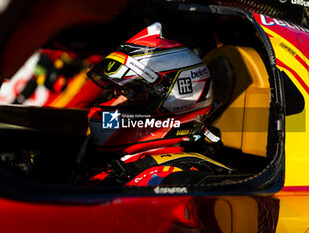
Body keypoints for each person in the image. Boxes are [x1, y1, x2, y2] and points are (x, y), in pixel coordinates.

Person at [77, 22, 234, 186]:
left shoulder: (168, 179)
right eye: (116, 92)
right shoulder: (111, 157)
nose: (115, 103)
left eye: (132, 95)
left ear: (175, 105)